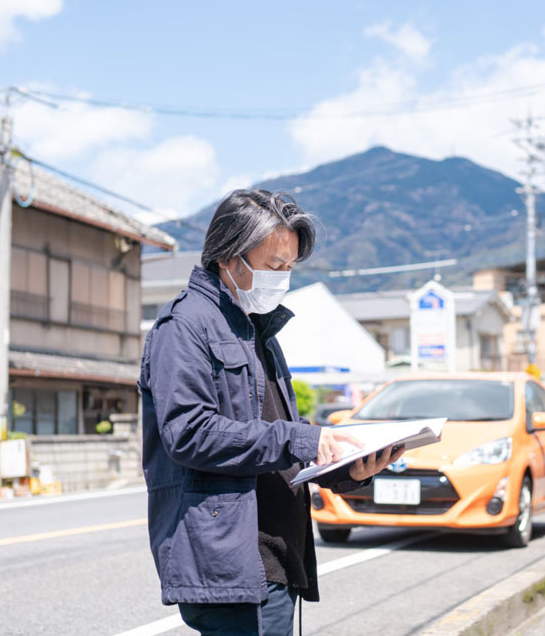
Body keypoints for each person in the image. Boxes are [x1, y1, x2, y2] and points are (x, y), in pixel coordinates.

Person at [138, 190, 403, 636]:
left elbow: (275, 435)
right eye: (274, 265)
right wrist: (302, 439)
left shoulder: (257, 329)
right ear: (229, 257)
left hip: (272, 559)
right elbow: (189, 433)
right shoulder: (183, 326)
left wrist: (347, 469)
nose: (282, 277)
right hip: (234, 562)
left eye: (290, 268)